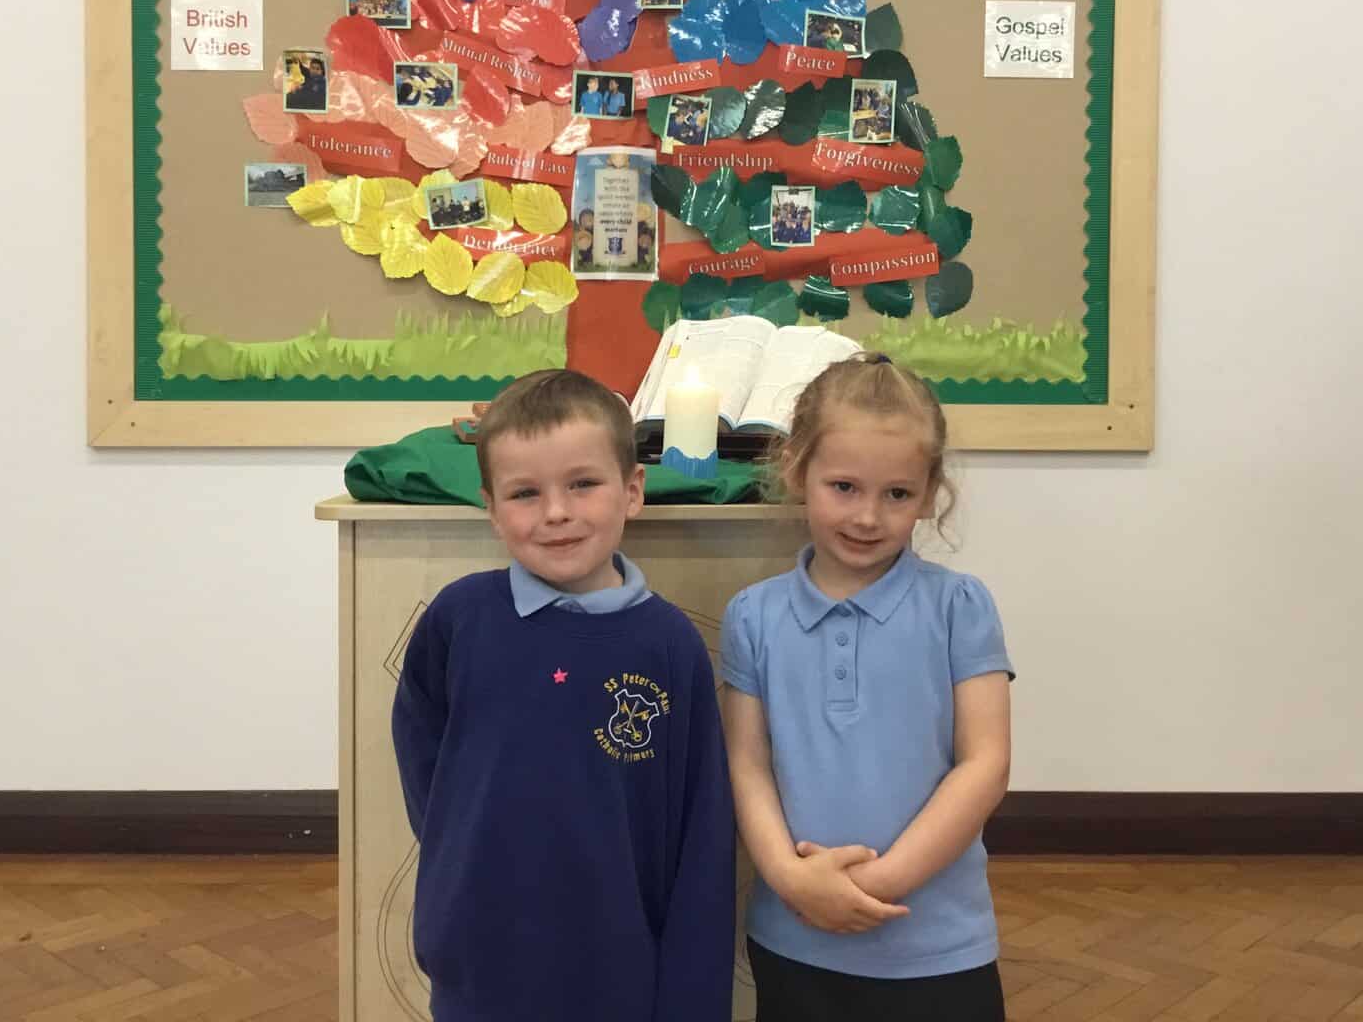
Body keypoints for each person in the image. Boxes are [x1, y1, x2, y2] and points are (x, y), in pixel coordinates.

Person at [392, 370, 736, 1022]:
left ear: (632, 491)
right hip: (480, 959)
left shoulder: (669, 644)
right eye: (525, 493)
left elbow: (701, 832)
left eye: (582, 484)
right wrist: (453, 881)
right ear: (492, 508)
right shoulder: (459, 620)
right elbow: (426, 769)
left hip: (621, 968)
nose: (556, 512)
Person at [720, 353, 1014, 1022]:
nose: (867, 516)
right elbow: (747, 763)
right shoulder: (753, 615)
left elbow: (985, 762)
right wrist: (792, 879)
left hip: (937, 946)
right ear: (796, 469)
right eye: (844, 487)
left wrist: (880, 883)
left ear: (930, 492)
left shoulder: (960, 607)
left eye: (897, 494)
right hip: (794, 937)